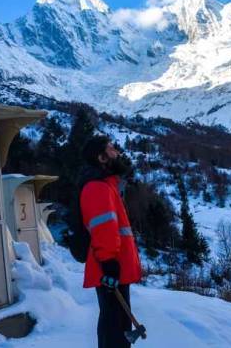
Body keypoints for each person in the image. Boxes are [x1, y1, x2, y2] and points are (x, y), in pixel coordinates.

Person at [80, 135, 142, 348]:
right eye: (111, 148)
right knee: (114, 330)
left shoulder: (107, 186)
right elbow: (103, 229)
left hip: (114, 270)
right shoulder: (98, 188)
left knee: (117, 326)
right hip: (110, 271)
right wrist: (109, 265)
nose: (117, 151)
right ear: (102, 158)